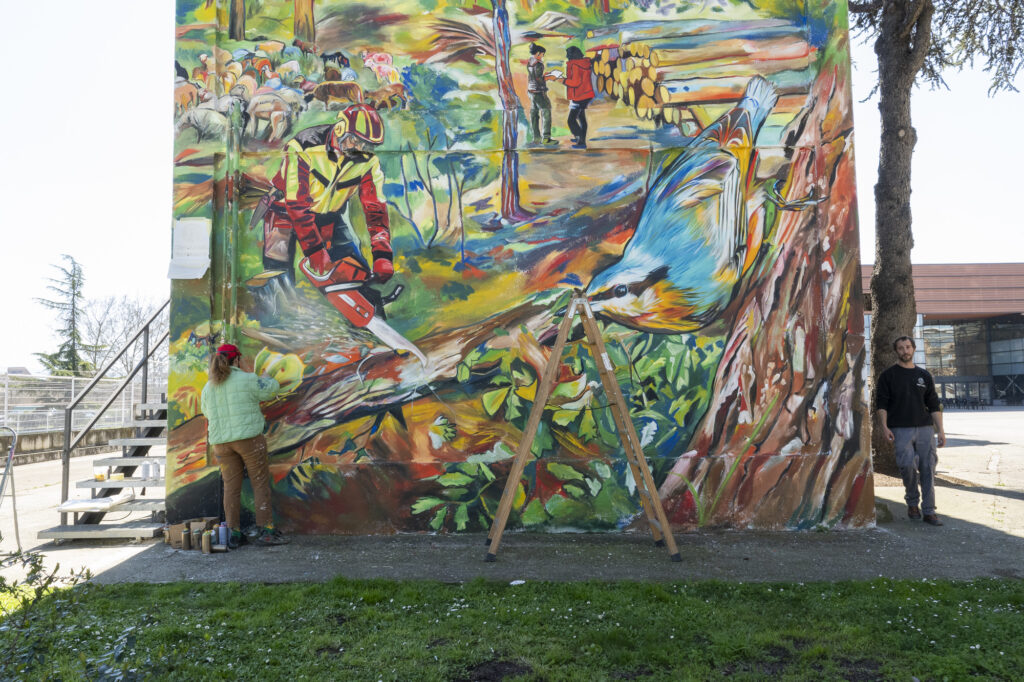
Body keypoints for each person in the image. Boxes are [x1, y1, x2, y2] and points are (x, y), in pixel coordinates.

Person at [254, 103, 394, 319]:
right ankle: (275, 322)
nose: (361, 149)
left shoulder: (368, 162)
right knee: (277, 276)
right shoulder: (302, 146)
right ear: (341, 128)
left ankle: (367, 324)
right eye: (356, 141)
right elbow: (297, 204)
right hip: (284, 212)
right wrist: (314, 250)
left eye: (368, 145)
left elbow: (375, 209)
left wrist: (382, 255)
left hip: (328, 215)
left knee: (356, 272)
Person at [200, 343, 288, 547]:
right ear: (237, 360)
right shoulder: (248, 379)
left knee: (231, 488)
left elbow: (206, 412)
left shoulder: (208, 387)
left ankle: (233, 533)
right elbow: (271, 390)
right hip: (249, 440)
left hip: (221, 443)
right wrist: (266, 377)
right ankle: (267, 530)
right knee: (259, 483)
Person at [876, 335, 946, 526]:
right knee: (906, 466)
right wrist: (884, 426)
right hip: (900, 429)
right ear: (896, 351)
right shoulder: (888, 376)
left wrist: (941, 430)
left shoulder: (924, 376)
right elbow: (881, 404)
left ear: (913, 349)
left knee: (928, 468)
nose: (905, 351)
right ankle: (912, 502)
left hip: (925, 429)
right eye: (901, 348)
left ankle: (929, 511)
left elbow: (934, 405)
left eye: (908, 347)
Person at [561, 46, 595, 149]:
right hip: (586, 94)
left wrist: (562, 80)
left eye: (568, 54)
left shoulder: (575, 65)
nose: (567, 56)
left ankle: (581, 141)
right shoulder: (585, 63)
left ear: (571, 55)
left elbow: (575, 82)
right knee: (581, 117)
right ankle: (579, 138)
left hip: (579, 96)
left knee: (571, 120)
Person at [526, 43, 557, 146]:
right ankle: (546, 138)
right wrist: (548, 77)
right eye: (542, 54)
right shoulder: (538, 64)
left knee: (534, 114)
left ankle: (536, 138)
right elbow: (538, 79)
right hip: (538, 91)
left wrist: (544, 76)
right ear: (538, 53)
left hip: (531, 90)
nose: (543, 56)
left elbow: (534, 76)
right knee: (546, 111)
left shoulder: (530, 62)